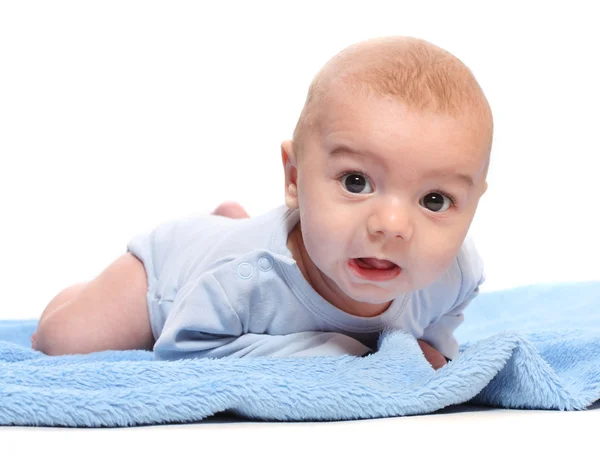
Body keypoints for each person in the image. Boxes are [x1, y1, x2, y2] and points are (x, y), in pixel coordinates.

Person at [32, 36, 492, 370]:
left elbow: (442, 320)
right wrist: (342, 351)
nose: (392, 224)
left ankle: (231, 224)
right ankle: (217, 233)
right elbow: (182, 347)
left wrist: (435, 345)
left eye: (434, 200)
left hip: (231, 253)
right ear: (294, 178)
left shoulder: (456, 273)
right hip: (172, 274)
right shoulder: (241, 282)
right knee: (63, 340)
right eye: (356, 182)